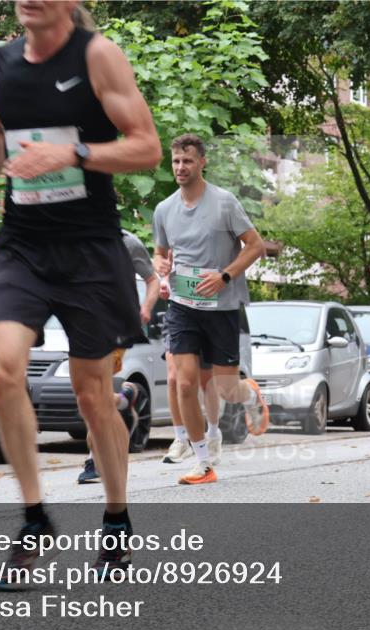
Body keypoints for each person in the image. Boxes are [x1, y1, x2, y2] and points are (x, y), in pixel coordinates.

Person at [0, 0, 161, 585]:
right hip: (22, 243)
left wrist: (74, 152)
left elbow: (147, 147)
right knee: (1, 370)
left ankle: (116, 519)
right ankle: (35, 519)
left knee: (91, 395)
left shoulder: (98, 56)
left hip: (90, 248)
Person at [153, 133, 269, 485]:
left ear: (202, 162)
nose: (180, 167)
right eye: (176, 161)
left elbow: (256, 246)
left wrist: (225, 276)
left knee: (225, 388)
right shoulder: (164, 209)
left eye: (187, 160)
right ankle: (203, 461)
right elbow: (160, 252)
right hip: (182, 305)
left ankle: (249, 394)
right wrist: (160, 264)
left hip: (222, 306)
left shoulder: (224, 203)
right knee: (185, 382)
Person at [77, 228, 160, 484]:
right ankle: (125, 398)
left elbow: (152, 280)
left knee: (95, 393)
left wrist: (146, 308)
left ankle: (94, 459)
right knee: (88, 395)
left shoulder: (128, 243)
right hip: (83, 324)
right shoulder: (75, 238)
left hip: (116, 327)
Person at [158, 272, 225, 466]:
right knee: (174, 379)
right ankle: (181, 439)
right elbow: (160, 263)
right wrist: (164, 280)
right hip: (178, 312)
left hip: (208, 311)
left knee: (206, 382)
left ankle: (213, 433)